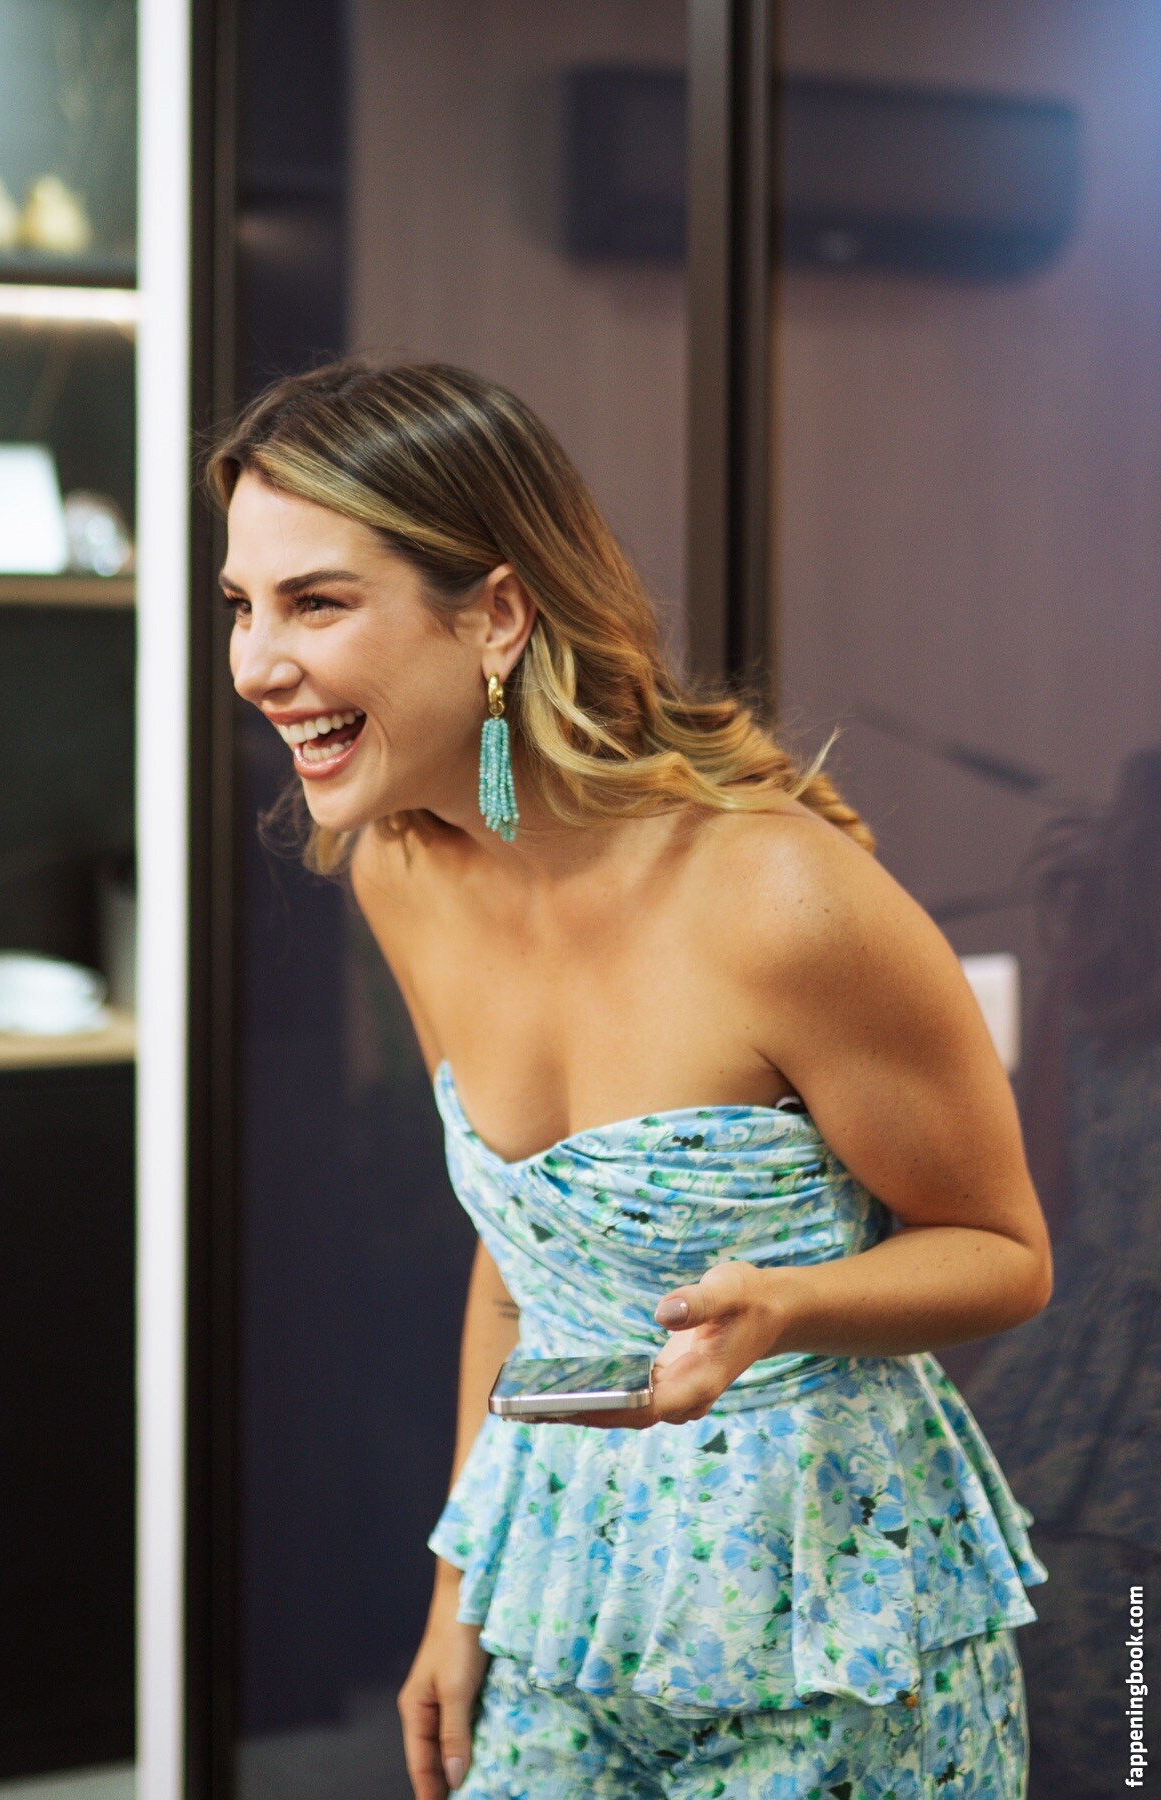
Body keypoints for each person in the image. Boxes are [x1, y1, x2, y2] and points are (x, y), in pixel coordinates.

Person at [207, 357, 1052, 1799]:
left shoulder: (781, 898)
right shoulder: (398, 870)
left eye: (316, 603)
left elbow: (1005, 1252)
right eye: (242, 605)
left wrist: (787, 1307)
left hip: (831, 1623)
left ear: (496, 614)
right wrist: (459, 1593)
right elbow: (519, 1256)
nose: (254, 663)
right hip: (564, 1601)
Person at [961, 745, 1161, 1799]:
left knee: (1076, 1725)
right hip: (1087, 1401)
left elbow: (1037, 1192)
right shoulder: (1090, 983)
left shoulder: (1092, 982)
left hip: (1062, 1388)